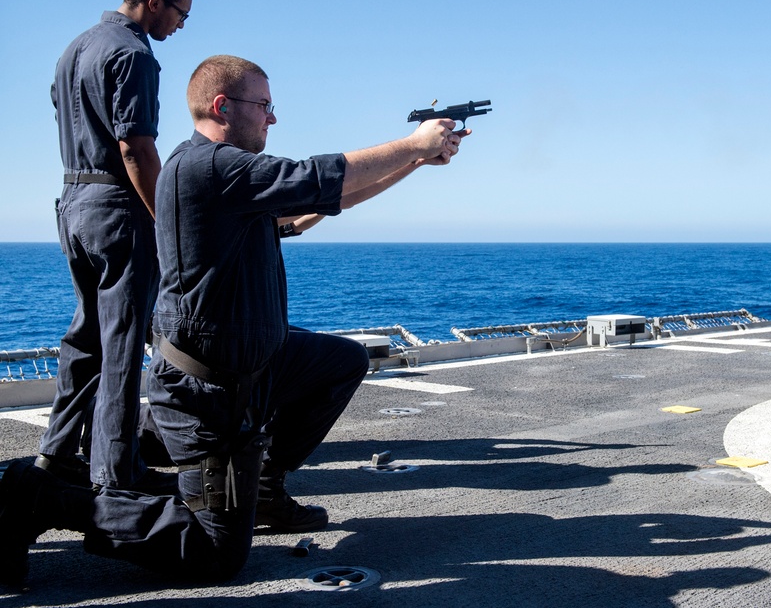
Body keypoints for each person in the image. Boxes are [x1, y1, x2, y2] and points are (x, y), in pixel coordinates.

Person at [0, 54, 467, 589]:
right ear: (222, 106)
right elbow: (316, 176)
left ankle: (263, 486)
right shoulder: (210, 166)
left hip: (250, 365)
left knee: (340, 360)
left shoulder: (221, 174)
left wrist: (411, 163)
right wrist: (413, 143)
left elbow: (319, 200)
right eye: (264, 106)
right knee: (216, 555)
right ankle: (46, 495)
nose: (272, 118)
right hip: (209, 393)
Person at [40, 0, 194, 491]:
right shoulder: (133, 54)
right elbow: (136, 147)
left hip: (72, 204)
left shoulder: (74, 48)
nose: (179, 25)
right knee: (124, 342)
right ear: (154, 2)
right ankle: (116, 473)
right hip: (117, 208)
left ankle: (56, 456)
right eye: (179, 13)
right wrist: (165, 222)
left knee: (85, 336)